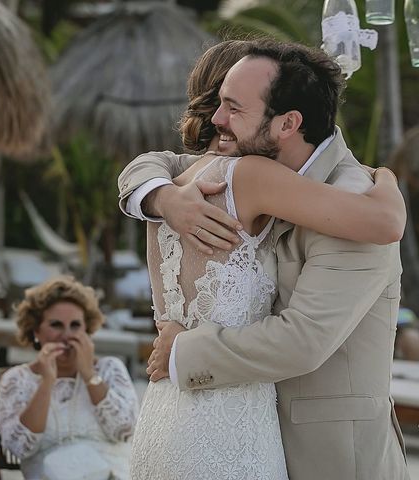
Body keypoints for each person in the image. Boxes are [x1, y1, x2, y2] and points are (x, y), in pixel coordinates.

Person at [118, 39, 409, 479]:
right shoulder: (228, 174)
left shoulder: (353, 200)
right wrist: (160, 196)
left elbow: (304, 339)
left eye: (233, 108)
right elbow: (160, 161)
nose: (217, 120)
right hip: (229, 430)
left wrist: (182, 351)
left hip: (328, 456)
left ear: (288, 123)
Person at [0, 276, 139, 480]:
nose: (66, 335)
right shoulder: (16, 379)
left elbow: (124, 431)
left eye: (75, 325)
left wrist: (89, 375)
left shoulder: (110, 368)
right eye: (56, 325)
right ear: (36, 330)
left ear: (86, 329)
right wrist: (46, 383)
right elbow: (20, 448)